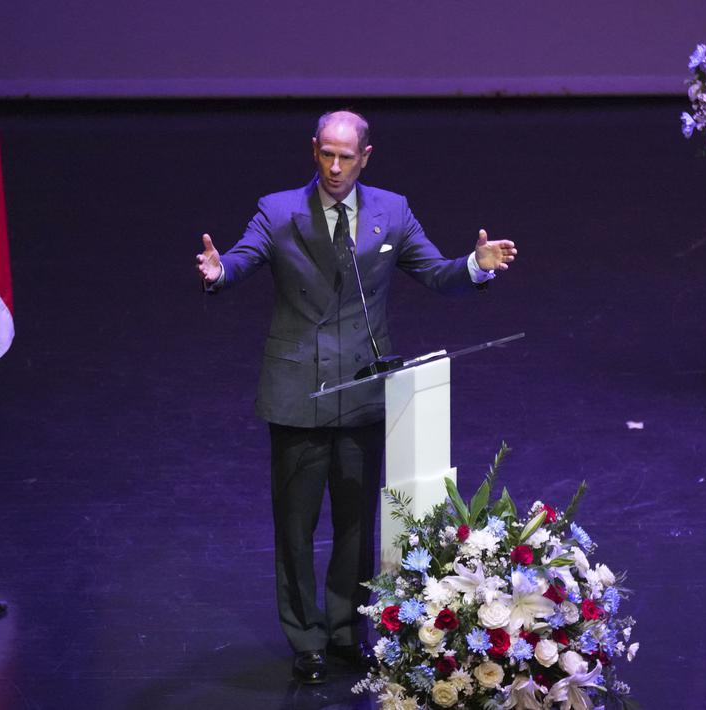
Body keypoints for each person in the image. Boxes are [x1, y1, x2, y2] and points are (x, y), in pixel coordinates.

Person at [195, 110, 517, 684]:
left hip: (363, 387)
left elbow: (436, 273)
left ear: (366, 157)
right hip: (298, 391)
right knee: (295, 526)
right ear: (313, 150)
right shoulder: (278, 210)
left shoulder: (392, 210)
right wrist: (220, 273)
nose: (335, 167)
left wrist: (475, 266)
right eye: (326, 154)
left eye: (346, 157)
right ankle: (306, 638)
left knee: (355, 522)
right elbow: (242, 257)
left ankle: (346, 632)